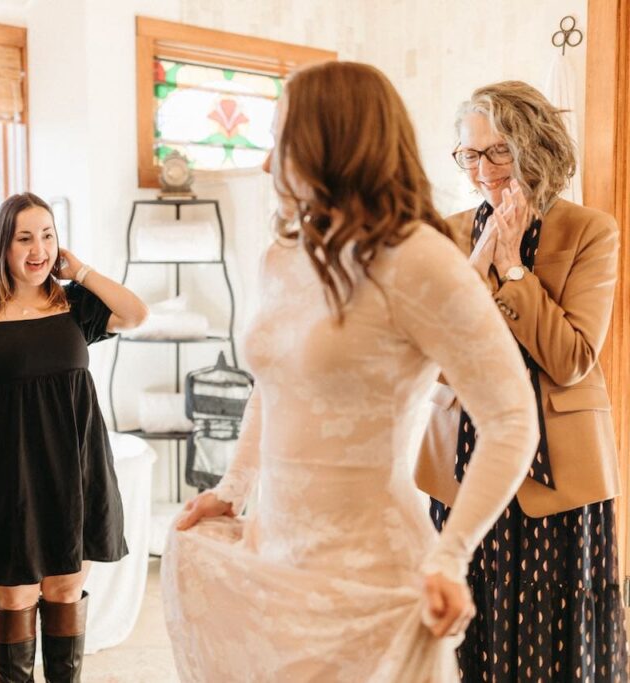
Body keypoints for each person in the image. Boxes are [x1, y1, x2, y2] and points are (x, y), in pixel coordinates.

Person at [161, 61, 540, 681]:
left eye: (279, 140)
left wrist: (451, 555)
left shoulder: (421, 261)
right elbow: (274, 386)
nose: (265, 163)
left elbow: (511, 418)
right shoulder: (281, 255)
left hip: (372, 580)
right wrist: (232, 490)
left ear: (328, 144)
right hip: (273, 555)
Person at [416, 80, 628, 681]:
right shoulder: (448, 233)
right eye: (470, 154)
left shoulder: (590, 232)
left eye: (498, 151)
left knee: (553, 637)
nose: (483, 170)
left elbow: (570, 359)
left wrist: (514, 269)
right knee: (464, 630)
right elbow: (427, 357)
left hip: (557, 471)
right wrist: (480, 257)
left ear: (536, 148)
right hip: (462, 463)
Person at [0, 192, 147, 682]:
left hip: (77, 469)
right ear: (3, 246)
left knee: (66, 591)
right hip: (9, 474)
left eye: (48, 236)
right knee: (16, 595)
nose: (39, 249)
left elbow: (136, 314)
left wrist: (84, 271)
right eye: (25, 238)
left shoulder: (73, 303)